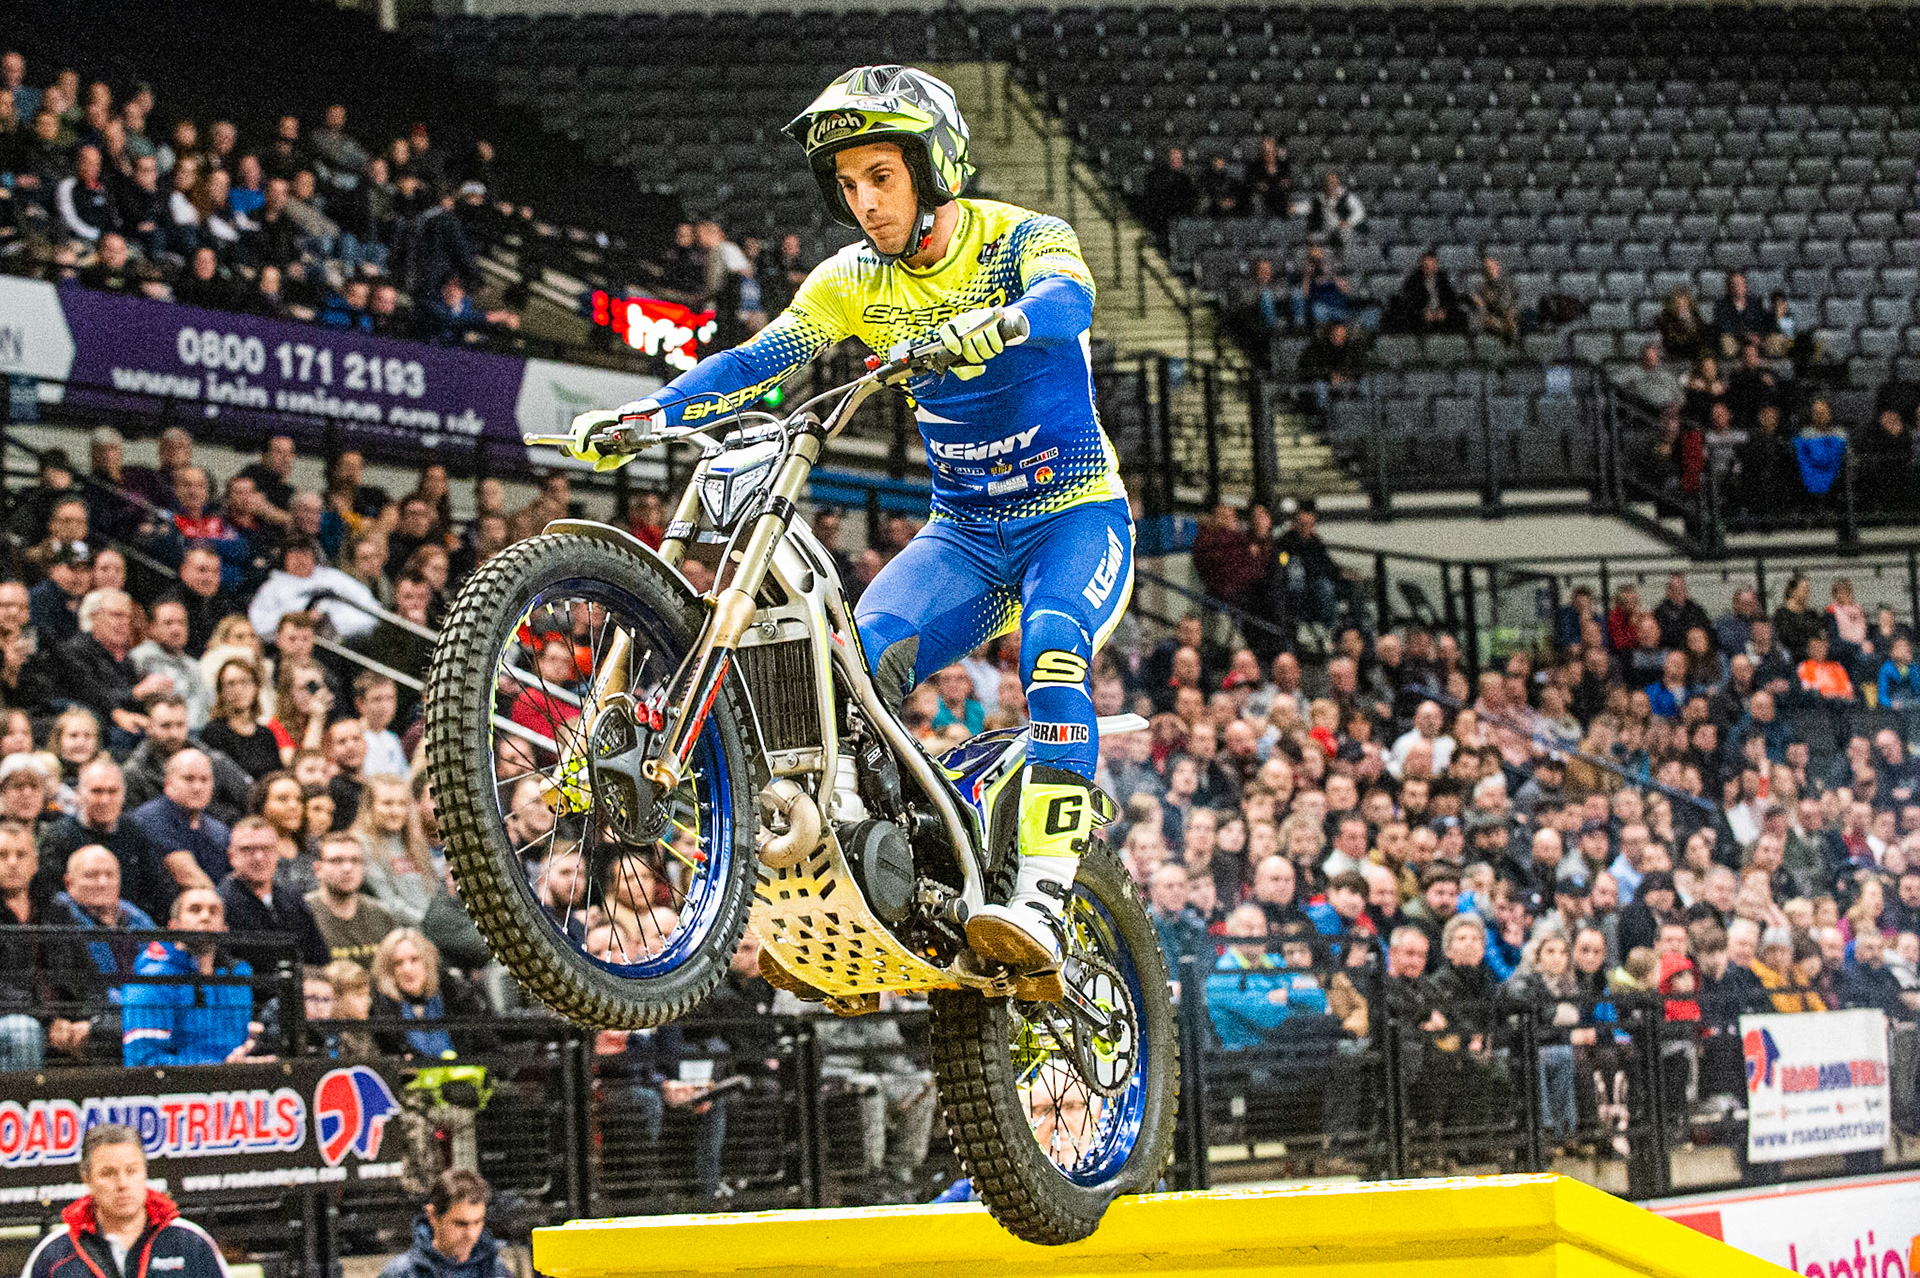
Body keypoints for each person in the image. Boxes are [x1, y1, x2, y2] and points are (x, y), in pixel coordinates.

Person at [568, 66, 1131, 999]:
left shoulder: (1022, 237)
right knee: (843, 675)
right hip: (964, 534)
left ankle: (1041, 892)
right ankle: (876, 891)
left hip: (1072, 517)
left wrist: (1002, 322)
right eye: (849, 185)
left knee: (1056, 648)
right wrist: (651, 413)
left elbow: (1072, 301)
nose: (864, 203)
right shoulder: (851, 281)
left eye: (882, 176)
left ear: (933, 165)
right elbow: (764, 358)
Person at [23, 1123, 229, 1278]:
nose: (122, 1183)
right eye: (108, 1173)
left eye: (132, 1171)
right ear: (87, 1178)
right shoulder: (55, 1252)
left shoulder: (190, 1243)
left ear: (145, 1172)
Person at [121, 887, 264, 1065]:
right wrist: (220, 1068)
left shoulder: (238, 975)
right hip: (179, 1090)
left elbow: (239, 1048)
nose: (205, 917)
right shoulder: (150, 981)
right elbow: (142, 1062)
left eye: (214, 911)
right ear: (174, 926)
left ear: (224, 928)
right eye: (195, 909)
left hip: (238, 1087)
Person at [377, 1168, 511, 1278]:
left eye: (477, 1222)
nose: (471, 1234)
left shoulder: (497, 1271)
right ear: (433, 1216)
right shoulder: (402, 1273)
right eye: (460, 1224)